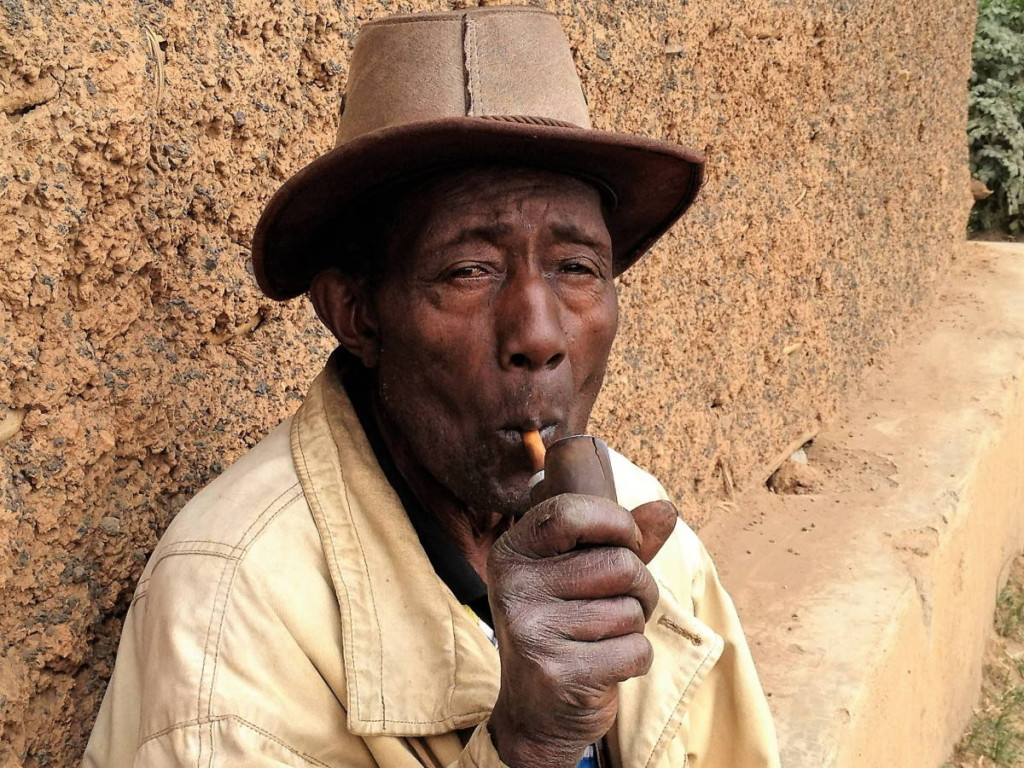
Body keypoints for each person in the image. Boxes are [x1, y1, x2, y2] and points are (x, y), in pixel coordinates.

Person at [84, 7, 780, 768]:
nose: (540, 336)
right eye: (469, 271)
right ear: (357, 315)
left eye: (577, 268)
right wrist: (525, 746)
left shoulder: (646, 535)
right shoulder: (230, 612)